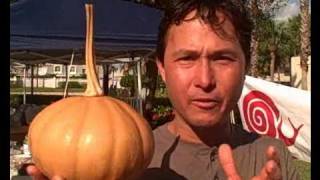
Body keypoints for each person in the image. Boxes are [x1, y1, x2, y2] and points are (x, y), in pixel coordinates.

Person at [27, 0, 300, 179]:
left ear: (245, 66)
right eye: (187, 58)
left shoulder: (273, 159)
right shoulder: (129, 162)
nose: (204, 80)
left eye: (222, 58)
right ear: (162, 68)